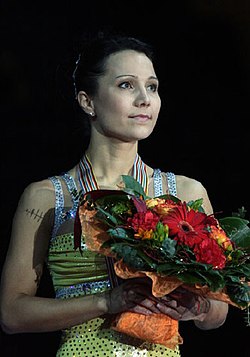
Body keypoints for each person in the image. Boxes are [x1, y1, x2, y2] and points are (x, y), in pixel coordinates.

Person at [0, 31, 228, 356]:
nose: (144, 99)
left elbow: (217, 313)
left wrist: (199, 308)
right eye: (126, 85)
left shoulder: (187, 193)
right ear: (87, 101)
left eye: (152, 86)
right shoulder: (47, 197)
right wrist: (105, 302)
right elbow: (12, 313)